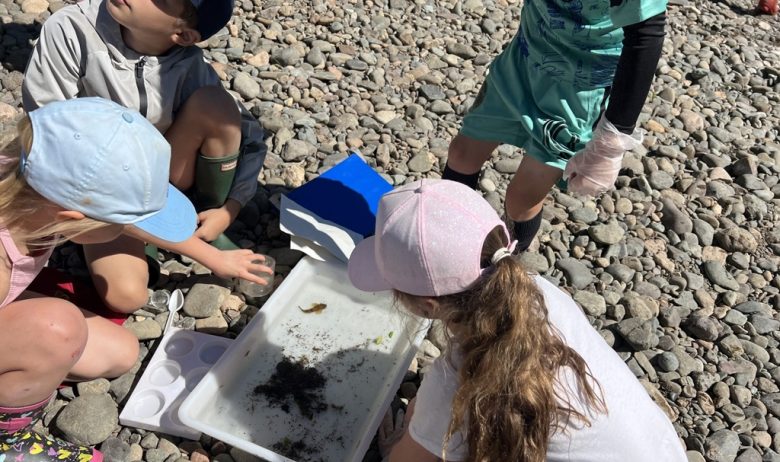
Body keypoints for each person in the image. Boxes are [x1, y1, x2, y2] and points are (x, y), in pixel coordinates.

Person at [348, 179, 686, 462]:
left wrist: (403, 443)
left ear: (426, 306)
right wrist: (427, 419)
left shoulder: (454, 382)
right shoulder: (539, 292)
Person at [0, 98, 244, 461]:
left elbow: (117, 216)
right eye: (117, 223)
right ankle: (9, 440)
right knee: (59, 328)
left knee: (120, 353)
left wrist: (211, 256)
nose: (131, 230)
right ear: (74, 216)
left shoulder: (29, 178)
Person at [21, 0, 269, 313]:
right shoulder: (71, 30)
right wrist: (209, 257)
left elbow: (251, 137)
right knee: (126, 296)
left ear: (183, 35)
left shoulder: (189, 63)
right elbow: (52, 151)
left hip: (165, 181)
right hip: (98, 193)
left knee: (216, 105)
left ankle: (201, 218)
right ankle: (173, 234)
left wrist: (230, 209)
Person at [441, 0, 667, 252]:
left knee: (523, 196)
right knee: (462, 155)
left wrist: (611, 141)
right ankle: (446, 240)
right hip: (523, 59)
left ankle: (502, 275)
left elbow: (646, 34)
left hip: (580, 90)